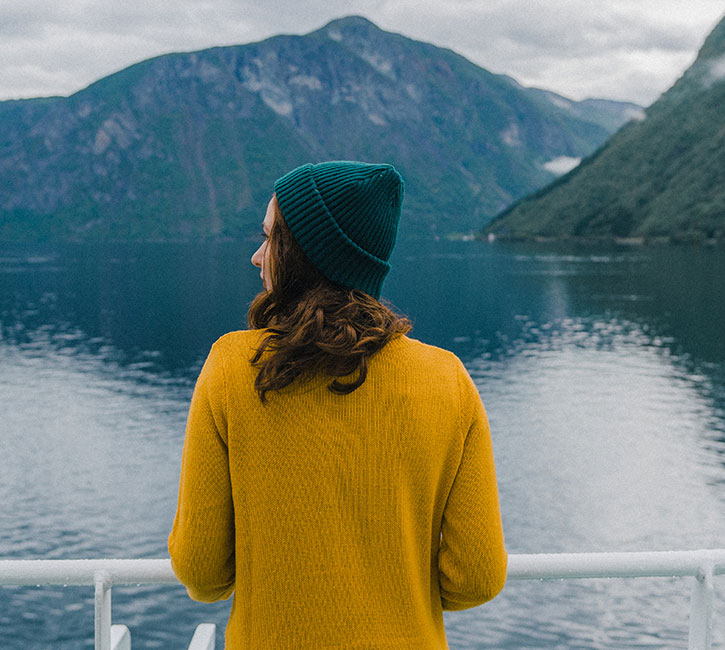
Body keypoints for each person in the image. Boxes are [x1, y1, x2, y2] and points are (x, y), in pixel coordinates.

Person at [167, 161, 507, 648]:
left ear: (306, 253)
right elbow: (476, 578)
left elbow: (202, 573)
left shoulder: (232, 367)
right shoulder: (446, 378)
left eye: (270, 239)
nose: (257, 257)